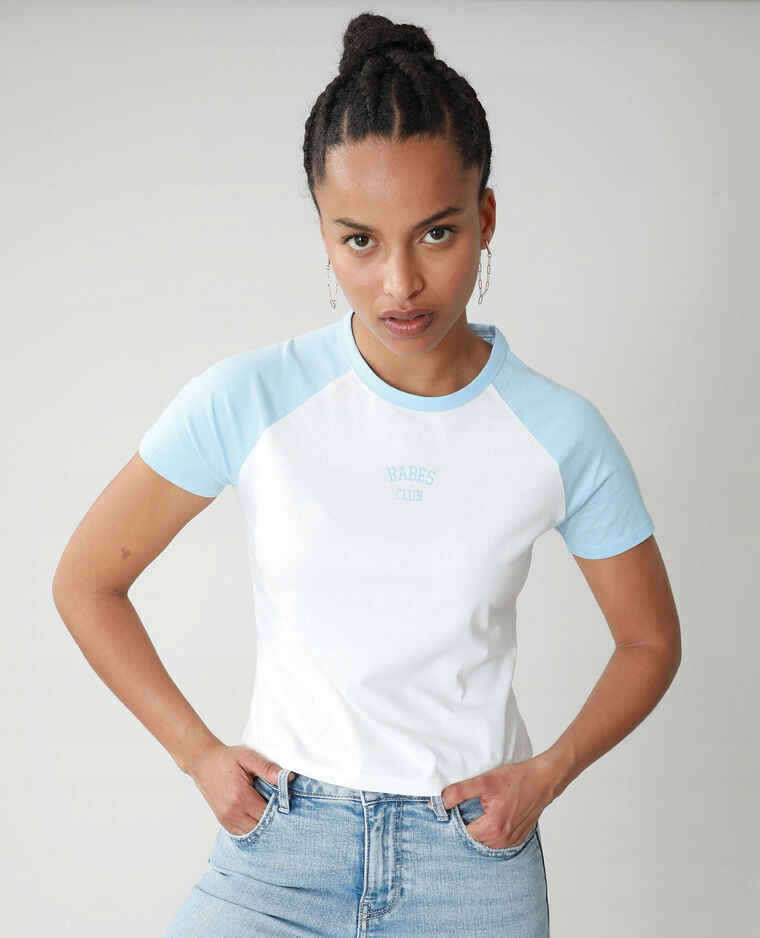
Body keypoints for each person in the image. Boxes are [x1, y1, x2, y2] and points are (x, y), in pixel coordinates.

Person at [53, 12, 681, 937]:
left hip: (471, 863)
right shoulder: (251, 397)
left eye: (436, 233)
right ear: (321, 230)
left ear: (485, 218)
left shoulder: (559, 431)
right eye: (359, 241)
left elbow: (650, 642)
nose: (400, 284)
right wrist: (198, 755)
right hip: (281, 849)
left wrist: (546, 775)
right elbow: (85, 582)